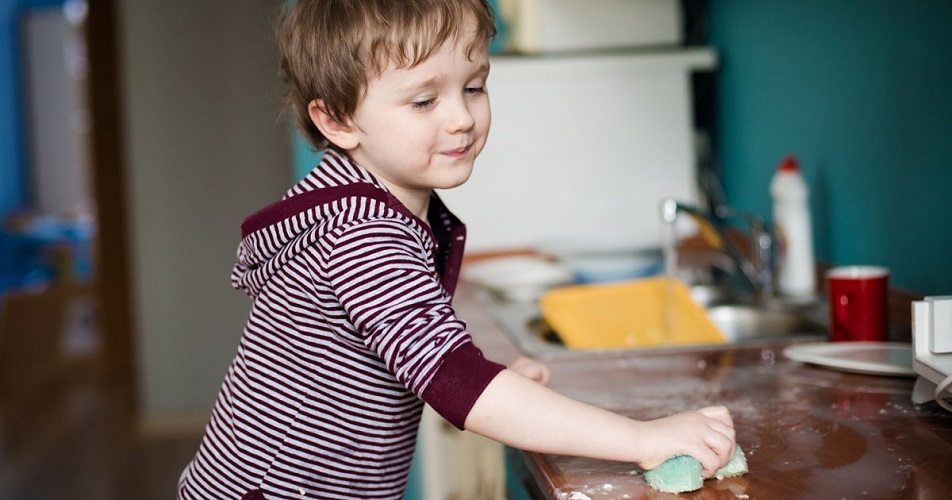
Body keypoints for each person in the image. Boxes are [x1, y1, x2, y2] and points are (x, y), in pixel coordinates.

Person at [177, 0, 737, 498]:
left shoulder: (370, 207)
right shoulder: (361, 234)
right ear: (337, 120)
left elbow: (416, 350)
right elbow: (455, 383)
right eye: (424, 100)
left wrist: (487, 375)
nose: (462, 117)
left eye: (474, 85)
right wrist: (644, 438)